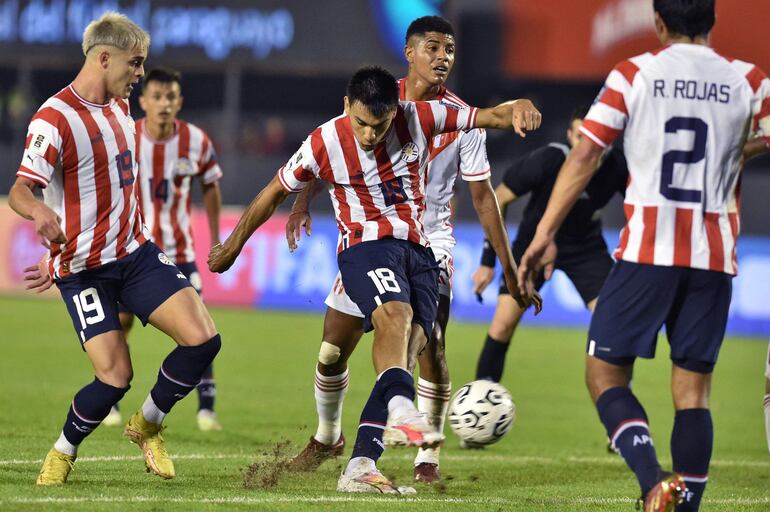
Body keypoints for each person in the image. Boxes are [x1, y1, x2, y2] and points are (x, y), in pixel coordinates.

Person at [208, 65, 541, 494]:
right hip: (365, 246)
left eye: (379, 126)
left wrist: (520, 107)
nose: (369, 134)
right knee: (375, 329)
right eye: (362, 123)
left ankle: (361, 463)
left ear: (394, 112)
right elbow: (274, 190)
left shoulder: (420, 117)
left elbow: (488, 116)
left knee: (414, 345)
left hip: (419, 252)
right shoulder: (324, 140)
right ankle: (394, 411)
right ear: (347, 106)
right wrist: (233, 246)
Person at [516, 1, 770, 511]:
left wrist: (544, 231)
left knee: (604, 373)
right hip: (714, 256)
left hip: (648, 253)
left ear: (658, 23)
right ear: (712, 22)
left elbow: (586, 154)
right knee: (693, 392)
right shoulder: (750, 79)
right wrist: (734, 150)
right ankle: (686, 506)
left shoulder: (635, 74)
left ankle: (654, 481)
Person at [284, 15, 533, 485]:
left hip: (429, 241)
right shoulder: (379, 101)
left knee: (425, 345)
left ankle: (422, 459)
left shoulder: (464, 122)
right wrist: (301, 202)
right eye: (434, 48)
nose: (444, 58)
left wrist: (510, 267)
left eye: (451, 51)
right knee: (332, 350)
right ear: (410, 52)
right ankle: (327, 436)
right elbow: (332, 150)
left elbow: (483, 199)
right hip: (372, 234)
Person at [9, 12, 222, 485]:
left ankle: (147, 423)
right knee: (114, 377)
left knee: (204, 340)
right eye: (136, 62)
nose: (141, 73)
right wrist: (42, 216)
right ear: (104, 58)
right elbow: (22, 191)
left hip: (136, 255)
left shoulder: (121, 108)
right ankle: (63, 451)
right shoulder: (54, 117)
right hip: (84, 271)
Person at [101, 67, 224, 432]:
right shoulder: (127, 136)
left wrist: (217, 237)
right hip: (133, 252)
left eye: (170, 97)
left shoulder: (196, 141)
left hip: (181, 252)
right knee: (121, 324)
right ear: (143, 101)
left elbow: (211, 185)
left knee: (199, 327)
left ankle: (207, 408)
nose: (164, 104)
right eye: (157, 97)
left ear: (179, 102)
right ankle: (112, 402)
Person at [472, 106, 627, 384]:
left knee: (612, 325)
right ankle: (482, 403)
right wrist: (487, 261)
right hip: (534, 246)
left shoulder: (616, 166)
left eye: (594, 138)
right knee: (503, 325)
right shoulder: (549, 159)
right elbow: (498, 199)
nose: (586, 145)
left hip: (585, 249)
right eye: (580, 137)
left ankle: (618, 410)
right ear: (569, 136)